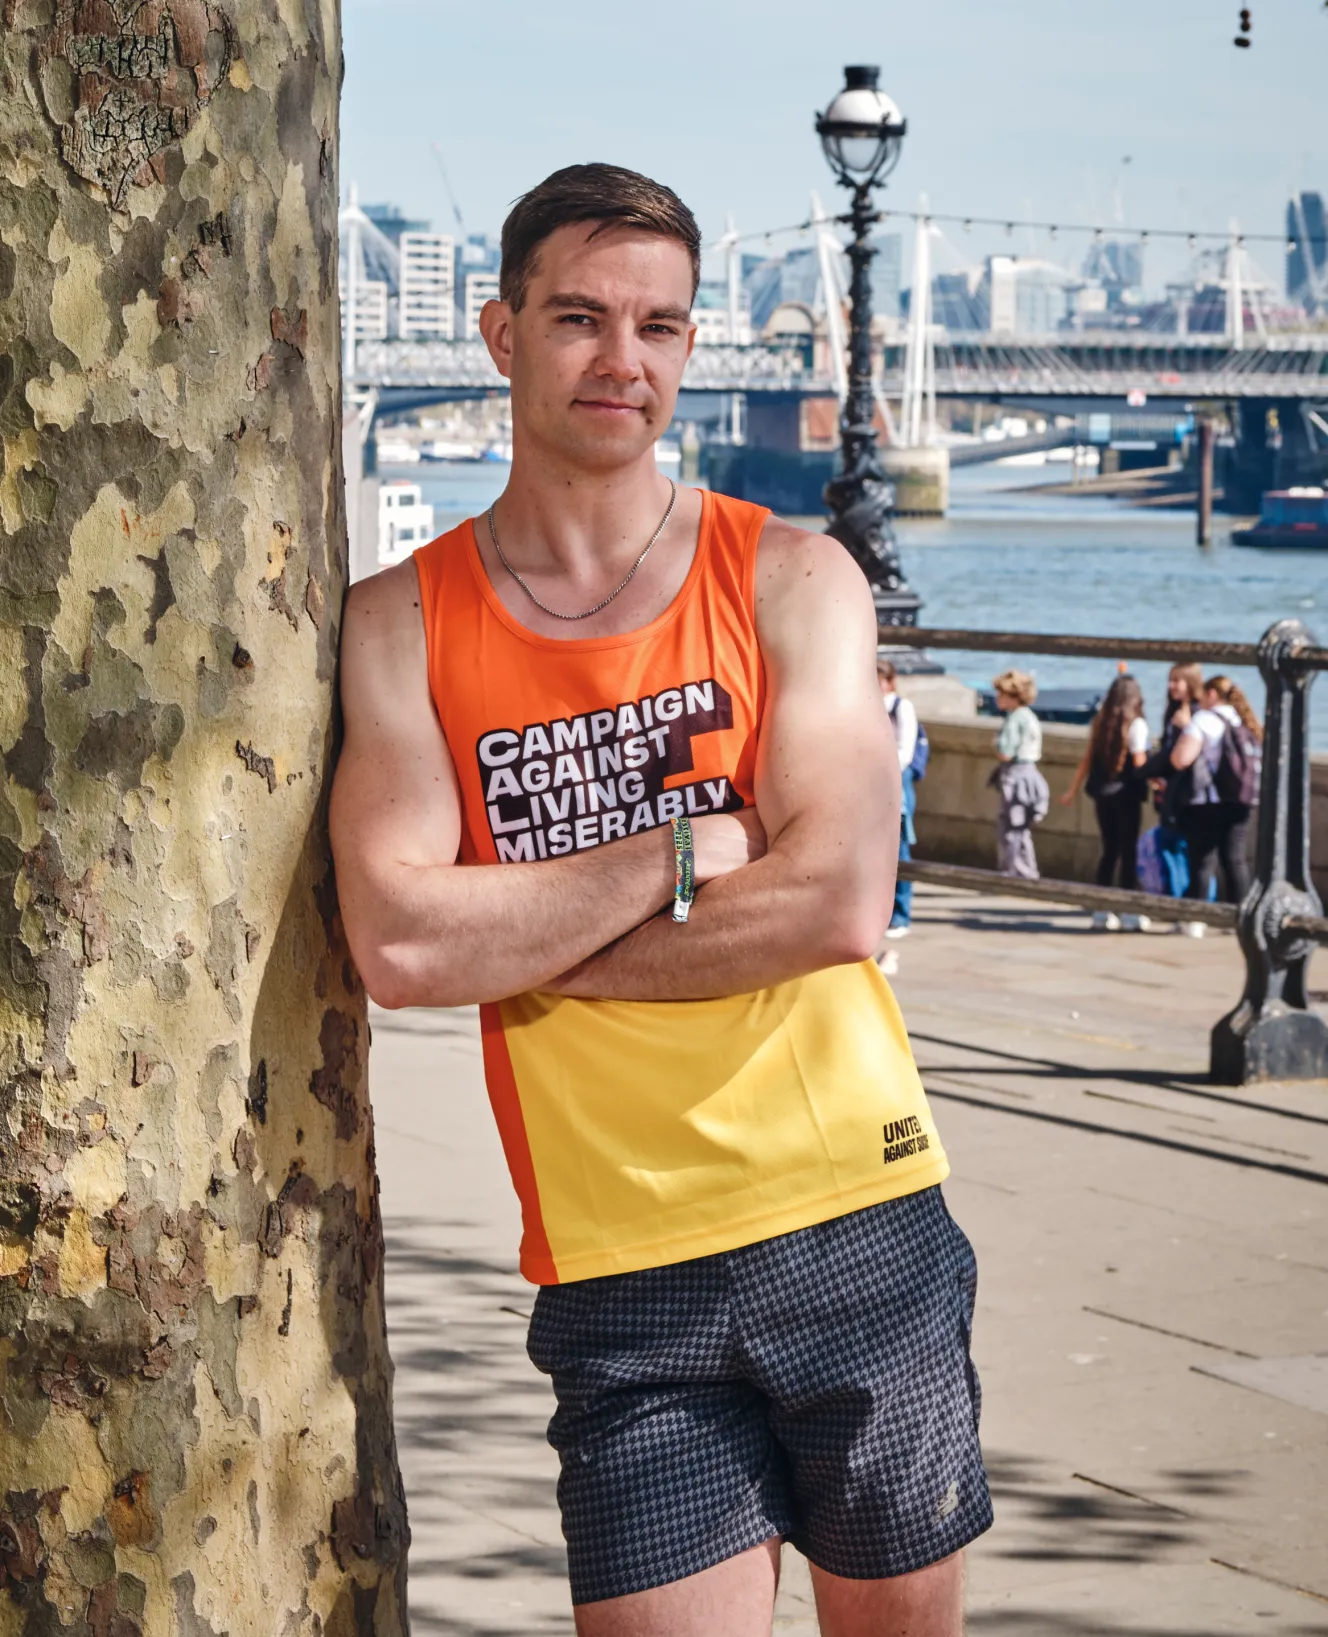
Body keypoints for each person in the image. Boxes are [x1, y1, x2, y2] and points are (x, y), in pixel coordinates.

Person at [330, 164, 990, 1636]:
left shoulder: (795, 582)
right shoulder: (400, 625)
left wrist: (530, 944)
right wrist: (675, 854)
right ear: (500, 334)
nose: (621, 359)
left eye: (659, 325)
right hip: (619, 1260)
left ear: (691, 345)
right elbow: (398, 937)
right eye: (577, 317)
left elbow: (833, 902)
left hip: (857, 1210)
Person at [1059, 674, 1151, 930]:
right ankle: (1128, 908)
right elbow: (1141, 763)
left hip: (1102, 794)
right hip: (1127, 795)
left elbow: (1087, 760)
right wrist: (1159, 781)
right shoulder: (1137, 725)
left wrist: (1071, 791)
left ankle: (1101, 909)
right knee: (1128, 851)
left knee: (1109, 850)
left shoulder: (1100, 722)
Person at [1169, 673, 1261, 911]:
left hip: (1209, 802)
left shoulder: (1204, 720)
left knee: (1202, 862)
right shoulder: (1244, 720)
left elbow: (1180, 759)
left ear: (1211, 694)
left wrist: (1182, 728)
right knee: (1235, 860)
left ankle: (1195, 919)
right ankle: (1241, 916)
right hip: (1243, 799)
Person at [990, 668, 1049, 879]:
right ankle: (1027, 870)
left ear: (1013, 696)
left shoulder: (1014, 719)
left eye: (1001, 694)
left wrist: (996, 744)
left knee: (1010, 828)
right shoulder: (1030, 717)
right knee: (1021, 828)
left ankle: (1015, 871)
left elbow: (1005, 752)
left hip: (1016, 775)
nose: (997, 698)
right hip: (1030, 773)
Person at [878, 657, 919, 939]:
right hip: (870, 783)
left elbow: (906, 750)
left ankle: (900, 915)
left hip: (894, 784)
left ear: (890, 682)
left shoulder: (901, 707)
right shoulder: (865, 704)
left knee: (900, 851)